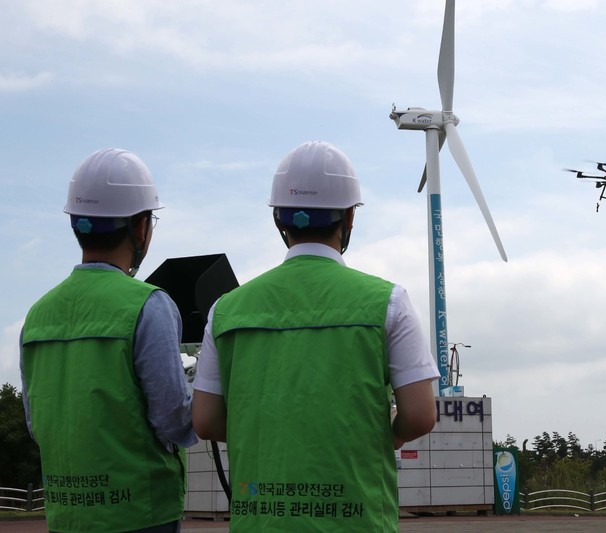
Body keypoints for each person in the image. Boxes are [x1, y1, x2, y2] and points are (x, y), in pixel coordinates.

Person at [192, 140, 439, 532]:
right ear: (349, 218)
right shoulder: (388, 302)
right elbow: (421, 415)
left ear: (279, 220)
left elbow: (205, 420)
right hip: (357, 520)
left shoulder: (226, 309)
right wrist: (388, 434)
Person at [20, 148, 197, 533]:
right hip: (140, 514)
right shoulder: (149, 305)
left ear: (77, 225)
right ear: (140, 227)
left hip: (67, 515)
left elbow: (38, 425)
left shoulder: (37, 315)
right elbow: (174, 421)